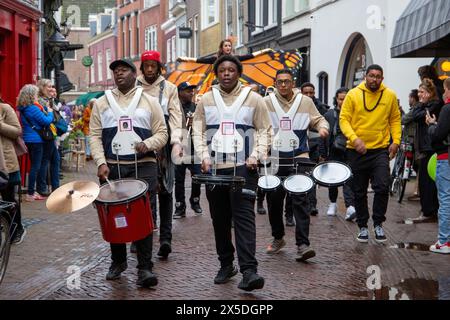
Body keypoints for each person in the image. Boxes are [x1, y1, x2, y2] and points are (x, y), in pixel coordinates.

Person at [192, 55, 271, 291]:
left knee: (244, 218)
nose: (226, 73)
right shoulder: (205, 99)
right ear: (217, 74)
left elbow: (265, 130)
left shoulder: (255, 99)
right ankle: (226, 264)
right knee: (220, 219)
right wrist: (203, 156)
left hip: (244, 168)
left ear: (238, 73)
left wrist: (255, 155)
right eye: (222, 70)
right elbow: (197, 130)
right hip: (215, 169)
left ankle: (249, 271)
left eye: (231, 70)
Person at [89, 58, 168, 287]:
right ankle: (118, 261)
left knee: (144, 215)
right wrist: (100, 162)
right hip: (113, 164)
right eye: (115, 71)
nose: (119, 74)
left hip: (144, 164)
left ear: (135, 74)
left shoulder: (150, 101)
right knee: (114, 214)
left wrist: (149, 143)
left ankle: (144, 268)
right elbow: (94, 135)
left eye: (124, 70)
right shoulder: (102, 102)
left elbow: (162, 132)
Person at [263, 69, 329, 260]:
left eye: (287, 82)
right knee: (274, 201)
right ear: (275, 84)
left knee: (301, 200)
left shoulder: (305, 102)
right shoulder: (266, 103)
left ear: (293, 84)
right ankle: (278, 237)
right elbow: (258, 124)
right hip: (274, 157)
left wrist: (323, 128)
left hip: (300, 155)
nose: (283, 85)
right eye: (279, 82)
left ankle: (303, 244)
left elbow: (318, 119)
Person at [340, 64, 402, 243]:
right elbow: (344, 120)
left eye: (378, 76)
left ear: (382, 78)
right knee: (359, 191)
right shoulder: (353, 94)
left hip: (380, 150)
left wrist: (396, 141)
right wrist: (354, 138)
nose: (374, 79)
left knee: (382, 186)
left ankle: (378, 223)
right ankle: (362, 227)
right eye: (371, 76)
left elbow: (395, 120)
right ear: (365, 76)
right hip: (356, 150)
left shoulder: (389, 95)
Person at [136, 50, 183, 258]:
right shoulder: (134, 86)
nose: (149, 70)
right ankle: (139, 238)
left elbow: (176, 116)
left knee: (166, 191)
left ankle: (165, 239)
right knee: (141, 192)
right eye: (146, 66)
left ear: (159, 66)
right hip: (140, 143)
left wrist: (176, 142)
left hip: (163, 145)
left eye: (153, 66)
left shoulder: (169, 88)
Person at [321, 88, 356, 220]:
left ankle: (350, 207)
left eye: (346, 98)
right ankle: (333, 203)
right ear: (336, 99)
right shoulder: (329, 114)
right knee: (333, 180)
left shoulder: (355, 113)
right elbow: (323, 135)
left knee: (349, 179)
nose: (343, 101)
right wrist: (322, 153)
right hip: (333, 151)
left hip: (350, 151)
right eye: (341, 99)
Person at [411, 79, 442, 221]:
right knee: (426, 181)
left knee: (427, 182)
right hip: (425, 147)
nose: (419, 94)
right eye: (418, 91)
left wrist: (421, 105)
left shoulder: (434, 105)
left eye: (422, 92)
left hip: (429, 148)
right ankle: (429, 210)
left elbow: (416, 116)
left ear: (429, 93)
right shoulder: (427, 105)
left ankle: (428, 212)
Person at [425, 77, 450, 254]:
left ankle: (444, 241)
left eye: (446, 90)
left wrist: (432, 125)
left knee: (446, 199)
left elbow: (438, 135)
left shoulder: (447, 109)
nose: (444, 93)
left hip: (446, 157)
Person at [18, 84, 54, 202]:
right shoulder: (32, 108)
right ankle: (30, 193)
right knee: (36, 167)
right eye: (35, 94)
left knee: (34, 165)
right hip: (36, 140)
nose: (36, 96)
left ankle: (33, 191)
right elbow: (46, 121)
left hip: (28, 139)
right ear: (31, 95)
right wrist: (50, 112)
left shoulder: (23, 108)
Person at [173, 81, 202, 219]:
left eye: (192, 90)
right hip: (179, 149)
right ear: (179, 93)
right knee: (178, 180)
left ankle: (195, 201)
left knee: (197, 177)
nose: (191, 92)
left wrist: (195, 124)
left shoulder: (196, 107)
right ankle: (180, 206)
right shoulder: (174, 108)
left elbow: (203, 128)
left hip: (194, 149)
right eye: (187, 90)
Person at [300, 82, 330, 217]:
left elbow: (324, 129)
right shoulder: (298, 105)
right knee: (300, 175)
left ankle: (312, 204)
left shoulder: (321, 108)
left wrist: (323, 152)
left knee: (311, 175)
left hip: (315, 146)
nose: (308, 95)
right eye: (305, 93)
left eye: (311, 92)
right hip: (300, 146)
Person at [0, 98, 26, 243]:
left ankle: (16, 230)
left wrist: (0, 125)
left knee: (8, 198)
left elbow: (17, 131)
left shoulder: (4, 108)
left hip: (6, 162)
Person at [36, 79, 60, 196]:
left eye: (52, 87)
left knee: (55, 160)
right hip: (46, 135)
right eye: (48, 87)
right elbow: (49, 118)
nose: (51, 89)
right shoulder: (41, 101)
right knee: (45, 161)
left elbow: (56, 116)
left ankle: (55, 187)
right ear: (42, 88)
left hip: (51, 134)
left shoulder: (49, 100)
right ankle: (42, 187)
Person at [178, 39, 271, 64]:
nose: (228, 47)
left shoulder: (235, 58)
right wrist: (185, 59)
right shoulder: (216, 59)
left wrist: (264, 51)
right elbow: (200, 60)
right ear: (222, 48)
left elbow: (250, 56)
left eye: (229, 46)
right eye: (226, 46)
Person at [402, 89, 420, 201]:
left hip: (412, 140)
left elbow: (403, 120)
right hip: (413, 141)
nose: (408, 99)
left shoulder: (415, 109)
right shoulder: (415, 109)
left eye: (409, 97)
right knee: (415, 166)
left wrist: (400, 114)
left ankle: (417, 191)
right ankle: (416, 190)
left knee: (417, 166)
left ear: (413, 98)